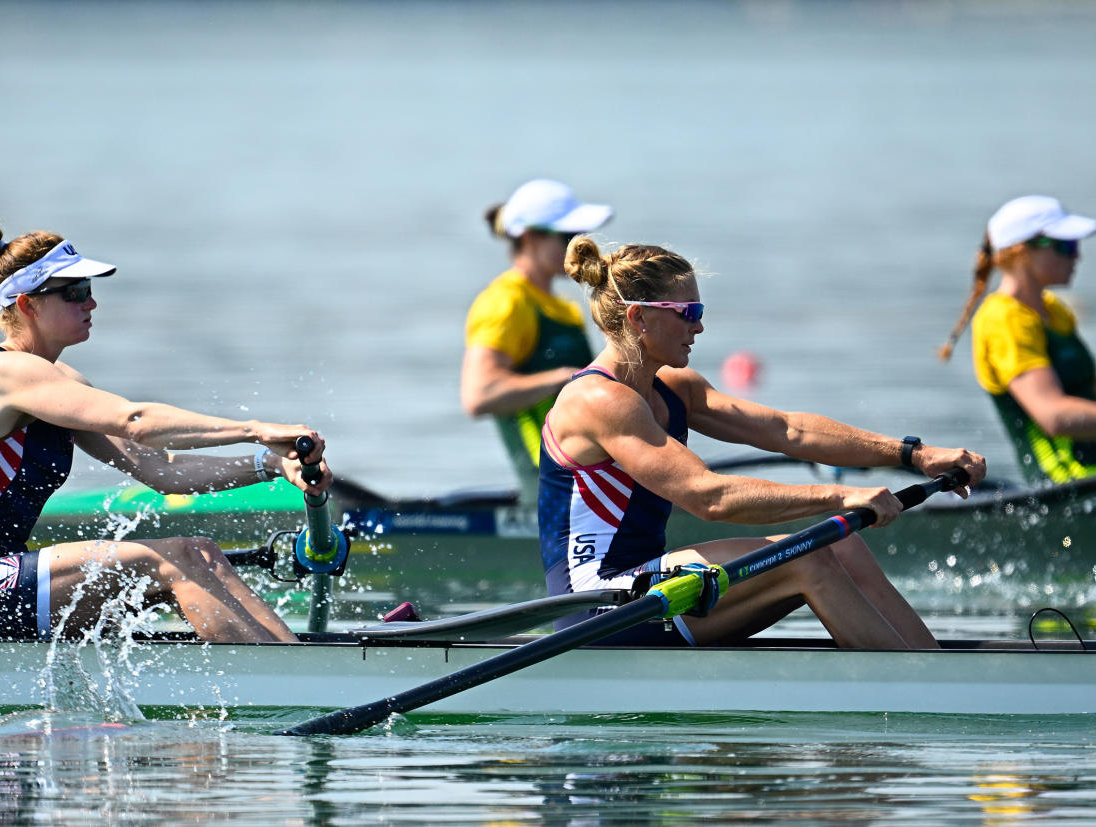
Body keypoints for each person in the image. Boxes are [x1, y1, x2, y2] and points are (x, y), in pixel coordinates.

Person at [539, 238, 987, 649]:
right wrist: (842, 494)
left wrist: (914, 455)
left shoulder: (676, 389)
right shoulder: (598, 400)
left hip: (651, 586)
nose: (700, 326)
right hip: (599, 606)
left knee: (844, 546)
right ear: (640, 316)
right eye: (688, 312)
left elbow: (789, 431)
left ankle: (931, 666)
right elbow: (707, 496)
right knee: (806, 560)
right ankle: (918, 692)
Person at [0, 225, 333, 643]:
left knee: (201, 551)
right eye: (73, 291)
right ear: (28, 304)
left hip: (1, 581)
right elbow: (136, 421)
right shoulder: (3, 375)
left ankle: (299, 669)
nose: (90, 302)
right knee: (181, 558)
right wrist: (253, 430)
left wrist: (272, 464)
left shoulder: (59, 383)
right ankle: (287, 686)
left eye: (89, 288)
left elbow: (162, 471)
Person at [461, 179, 613, 502]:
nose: (578, 247)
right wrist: (567, 379)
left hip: (590, 475)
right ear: (530, 238)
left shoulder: (565, 309)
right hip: (552, 485)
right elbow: (479, 395)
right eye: (567, 237)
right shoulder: (506, 302)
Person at [940, 195, 1096, 484]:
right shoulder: (1003, 319)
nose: (1077, 256)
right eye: (1066, 246)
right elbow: (1052, 414)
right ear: (1023, 252)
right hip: (1066, 485)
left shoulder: (1053, 311)